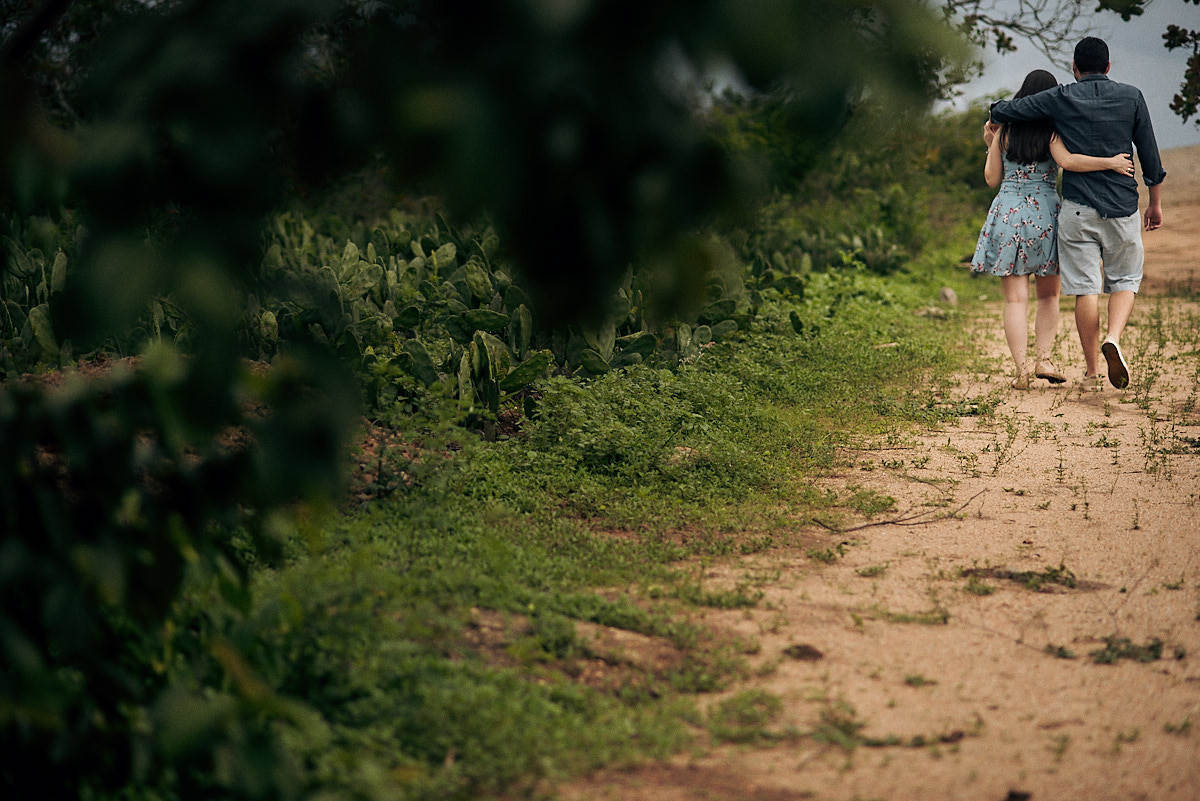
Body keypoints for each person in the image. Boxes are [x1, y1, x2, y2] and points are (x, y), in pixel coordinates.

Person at [990, 37, 1166, 390]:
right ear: (1109, 66)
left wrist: (998, 117)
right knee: (1125, 280)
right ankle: (1113, 337)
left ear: (1074, 67)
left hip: (1075, 210)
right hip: (1121, 206)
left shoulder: (1063, 96)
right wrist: (1155, 202)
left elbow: (1004, 111)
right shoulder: (1131, 96)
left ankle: (1090, 372)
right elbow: (1149, 152)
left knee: (1086, 289)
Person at [972, 69, 1135, 389]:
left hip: (1008, 216)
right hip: (1046, 217)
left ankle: (1020, 371)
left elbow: (992, 179)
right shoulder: (1053, 131)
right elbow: (1071, 162)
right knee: (1049, 297)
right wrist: (1111, 162)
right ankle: (1043, 359)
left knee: (1015, 300)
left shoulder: (1004, 131)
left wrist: (991, 144)